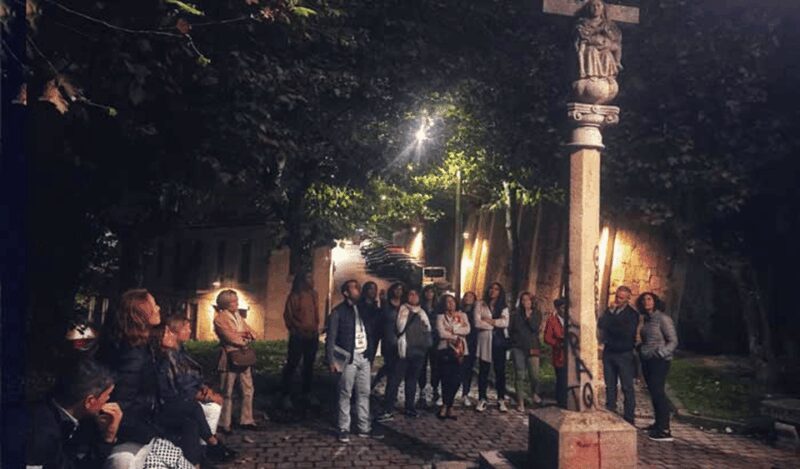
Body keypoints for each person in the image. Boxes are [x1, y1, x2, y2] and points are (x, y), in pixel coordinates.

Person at [155, 316, 236, 463]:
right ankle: (210, 446)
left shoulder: (179, 350)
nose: (190, 331)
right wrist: (202, 396)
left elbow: (190, 375)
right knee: (205, 408)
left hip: (186, 394)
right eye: (186, 328)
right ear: (173, 332)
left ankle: (206, 448)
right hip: (174, 401)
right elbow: (176, 386)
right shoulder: (167, 355)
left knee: (210, 408)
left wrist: (204, 388)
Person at [27, 359, 122, 469]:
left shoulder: (67, 417)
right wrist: (108, 438)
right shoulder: (43, 434)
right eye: (107, 395)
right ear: (89, 401)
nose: (109, 399)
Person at [97, 289, 162, 445]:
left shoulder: (136, 344)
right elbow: (122, 401)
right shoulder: (132, 355)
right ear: (140, 314)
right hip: (132, 429)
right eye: (153, 305)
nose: (159, 308)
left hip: (141, 421)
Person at [326, 279, 383, 442]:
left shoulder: (365, 310)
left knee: (364, 392)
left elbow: (373, 328)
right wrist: (331, 361)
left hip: (364, 357)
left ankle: (364, 427)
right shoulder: (338, 312)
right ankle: (343, 427)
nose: (358, 289)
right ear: (346, 293)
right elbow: (331, 338)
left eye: (358, 287)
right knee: (345, 393)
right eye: (354, 288)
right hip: (348, 358)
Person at [213, 289, 259, 434]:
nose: (237, 303)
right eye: (234, 301)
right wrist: (242, 337)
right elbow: (229, 336)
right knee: (227, 390)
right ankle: (224, 423)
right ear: (226, 303)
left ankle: (247, 419)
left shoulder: (238, 316)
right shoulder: (220, 318)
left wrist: (243, 335)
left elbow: (251, 332)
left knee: (248, 389)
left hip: (243, 356)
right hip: (229, 358)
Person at [636, 292, 678, 442]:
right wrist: (641, 348)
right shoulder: (647, 320)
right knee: (653, 392)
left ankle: (665, 430)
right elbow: (647, 340)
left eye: (649, 299)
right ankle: (658, 424)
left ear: (655, 301)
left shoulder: (663, 319)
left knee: (658, 392)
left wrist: (660, 353)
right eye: (643, 300)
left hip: (660, 361)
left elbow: (673, 341)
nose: (646, 302)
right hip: (648, 361)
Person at [386, 287, 432, 418]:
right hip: (404, 350)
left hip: (418, 351)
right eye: (410, 294)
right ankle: (388, 407)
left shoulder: (422, 312)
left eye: (415, 294)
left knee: (412, 380)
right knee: (395, 379)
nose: (413, 297)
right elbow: (400, 326)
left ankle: (409, 407)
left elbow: (427, 328)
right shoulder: (402, 309)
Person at [598, 285, 639, 425]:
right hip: (609, 352)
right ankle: (610, 409)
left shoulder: (632, 314)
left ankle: (629, 416)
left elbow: (625, 332)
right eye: (617, 296)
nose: (618, 300)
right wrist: (610, 313)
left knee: (627, 386)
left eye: (621, 298)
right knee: (610, 384)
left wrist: (612, 324)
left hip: (624, 353)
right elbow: (601, 324)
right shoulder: (610, 311)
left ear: (628, 299)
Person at [281, 271, 321, 410]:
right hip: (298, 336)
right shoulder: (294, 296)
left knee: (309, 365)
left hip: (312, 335)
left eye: (312, 277)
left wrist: (315, 328)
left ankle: (307, 392)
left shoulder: (314, 295)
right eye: (308, 277)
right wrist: (297, 329)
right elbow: (288, 316)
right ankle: (285, 395)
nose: (312, 280)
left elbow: (315, 314)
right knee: (292, 364)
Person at [475, 282, 511, 412]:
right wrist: (496, 323)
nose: (493, 291)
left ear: (500, 292)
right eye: (491, 288)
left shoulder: (504, 307)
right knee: (483, 371)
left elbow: (505, 322)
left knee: (500, 371)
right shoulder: (480, 304)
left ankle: (501, 399)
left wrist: (489, 321)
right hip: (485, 341)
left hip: (499, 342)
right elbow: (477, 322)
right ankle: (482, 398)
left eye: (496, 289)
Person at [435, 294, 470, 420]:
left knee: (457, 379)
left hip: (460, 351)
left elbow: (467, 330)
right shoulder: (440, 317)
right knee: (446, 379)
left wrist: (453, 331)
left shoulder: (462, 316)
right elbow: (441, 332)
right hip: (445, 350)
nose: (450, 304)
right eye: (447, 302)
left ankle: (449, 404)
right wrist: (455, 336)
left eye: (452, 301)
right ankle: (446, 406)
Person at [509, 292, 543, 411]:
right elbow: (511, 330)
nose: (525, 302)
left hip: (533, 347)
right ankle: (520, 401)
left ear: (532, 302)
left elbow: (534, 327)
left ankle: (534, 393)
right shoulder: (515, 314)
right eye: (523, 300)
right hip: (518, 348)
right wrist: (513, 344)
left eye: (528, 300)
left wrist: (529, 317)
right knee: (520, 374)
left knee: (534, 375)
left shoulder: (537, 314)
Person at [372, 282, 405, 400]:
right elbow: (382, 319)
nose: (398, 292)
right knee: (390, 366)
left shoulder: (404, 306)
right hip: (388, 339)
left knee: (396, 368)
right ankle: (386, 390)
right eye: (396, 289)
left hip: (401, 340)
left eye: (401, 289)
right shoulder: (386, 304)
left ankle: (390, 392)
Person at [418, 285, 441, 407]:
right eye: (427, 292)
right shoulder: (420, 306)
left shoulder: (438, 307)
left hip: (436, 339)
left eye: (432, 292)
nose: (429, 294)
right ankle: (421, 390)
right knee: (422, 366)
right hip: (422, 339)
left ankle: (435, 388)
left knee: (435, 365)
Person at [544, 298, 568, 408]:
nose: (565, 310)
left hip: (572, 355)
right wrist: (558, 343)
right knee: (561, 379)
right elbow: (547, 338)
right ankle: (561, 402)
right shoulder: (552, 320)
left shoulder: (571, 319)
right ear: (558, 309)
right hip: (559, 354)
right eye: (563, 308)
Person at [459, 291, 479, 407]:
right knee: (456, 369)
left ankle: (465, 393)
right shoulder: (459, 310)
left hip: (471, 343)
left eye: (471, 296)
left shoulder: (475, 313)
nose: (468, 298)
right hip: (458, 342)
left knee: (468, 369)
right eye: (466, 296)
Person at [358, 281, 382, 364]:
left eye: (375, 289)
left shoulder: (375, 305)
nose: (373, 291)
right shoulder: (360, 305)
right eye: (370, 289)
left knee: (370, 360)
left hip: (374, 335)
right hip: (364, 334)